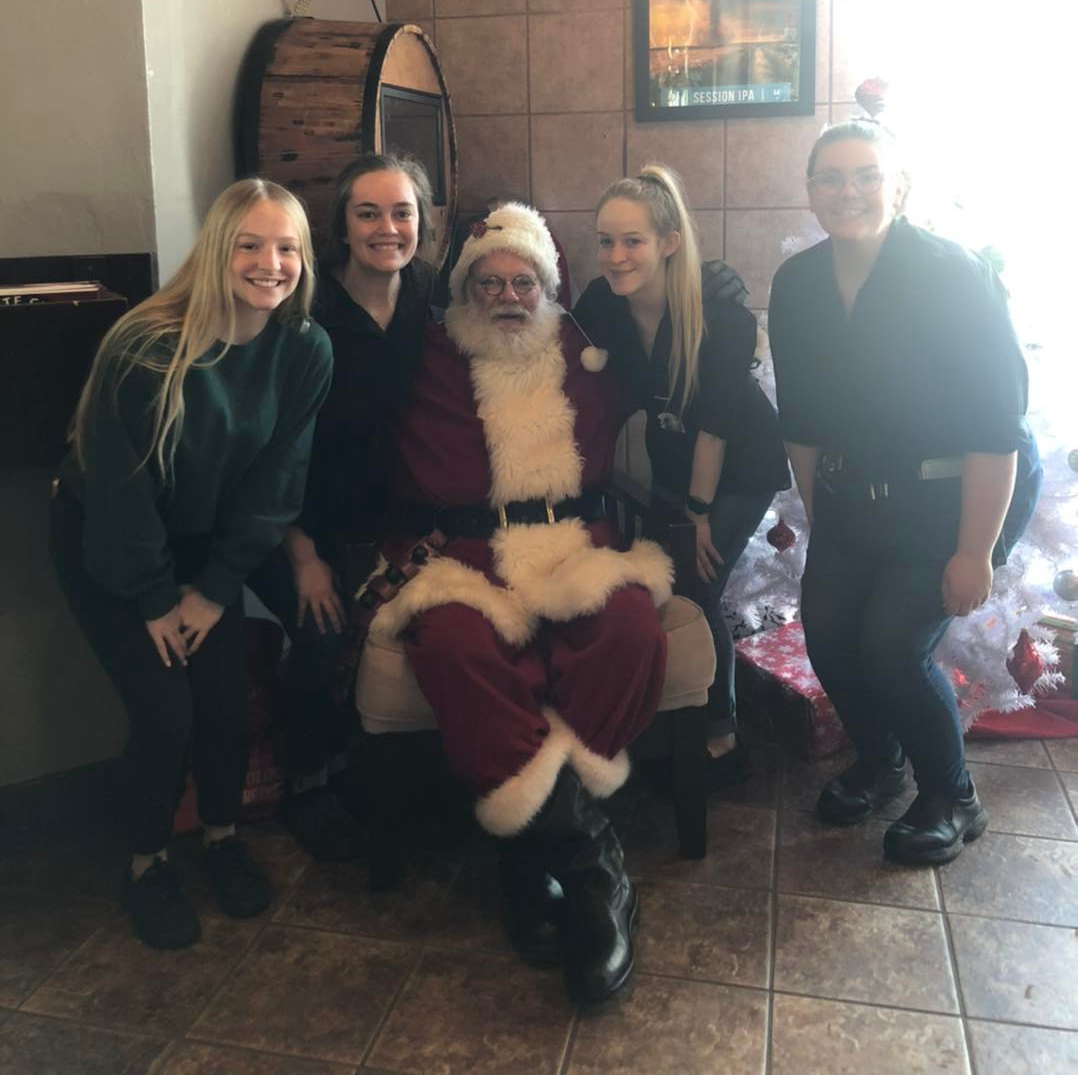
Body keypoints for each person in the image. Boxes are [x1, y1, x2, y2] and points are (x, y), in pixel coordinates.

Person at [369, 204, 672, 1004]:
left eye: (523, 282)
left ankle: (531, 848)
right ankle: (587, 861)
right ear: (465, 288)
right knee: (453, 645)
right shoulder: (426, 355)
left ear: (548, 286)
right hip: (462, 555)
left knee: (631, 630)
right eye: (490, 283)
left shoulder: (586, 349)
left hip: (575, 544)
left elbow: (676, 356)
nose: (507, 297)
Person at [50, 178, 333, 948]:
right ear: (216, 251)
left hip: (206, 545)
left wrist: (213, 590)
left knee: (227, 708)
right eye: (250, 245)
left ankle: (221, 838)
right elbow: (121, 492)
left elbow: (277, 482)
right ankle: (146, 864)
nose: (270, 263)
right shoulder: (146, 345)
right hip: (111, 538)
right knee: (165, 713)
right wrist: (152, 599)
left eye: (287, 248)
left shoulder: (304, 348)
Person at [768, 120, 1041, 866]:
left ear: (900, 187)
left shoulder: (953, 274)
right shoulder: (798, 283)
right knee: (829, 636)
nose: (848, 190)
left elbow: (997, 428)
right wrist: (822, 518)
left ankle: (953, 794)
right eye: (830, 177)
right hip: (852, 498)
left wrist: (975, 552)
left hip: (951, 501)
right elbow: (802, 419)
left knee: (892, 648)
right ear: (811, 191)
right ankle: (881, 761)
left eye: (867, 175)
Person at [246, 152, 436, 860]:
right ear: (342, 226)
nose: (387, 228)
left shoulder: (431, 301)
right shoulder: (306, 314)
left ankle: (385, 767)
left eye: (401, 212)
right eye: (368, 213)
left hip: (399, 520)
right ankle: (308, 781)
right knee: (321, 632)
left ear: (421, 222)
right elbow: (271, 451)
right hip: (301, 523)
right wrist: (303, 556)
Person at [574, 166, 790, 784]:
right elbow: (571, 358)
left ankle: (721, 736)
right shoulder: (602, 304)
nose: (615, 256)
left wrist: (697, 514)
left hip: (740, 463)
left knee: (699, 590)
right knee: (666, 586)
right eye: (606, 241)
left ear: (669, 242)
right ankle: (675, 715)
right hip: (673, 456)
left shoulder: (721, 314)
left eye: (632, 241)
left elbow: (716, 426)